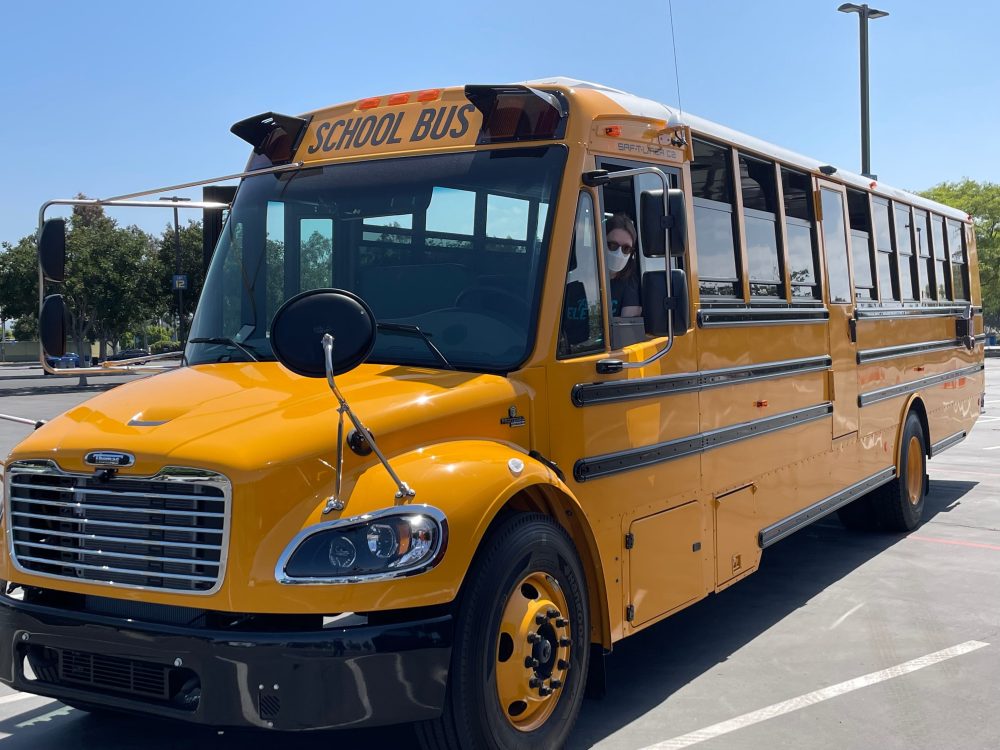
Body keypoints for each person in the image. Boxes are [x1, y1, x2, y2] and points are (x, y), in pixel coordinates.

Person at [605, 213, 642, 317]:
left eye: (626, 249)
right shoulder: (575, 279)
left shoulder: (631, 284)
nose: (618, 253)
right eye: (612, 245)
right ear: (601, 242)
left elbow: (627, 328)